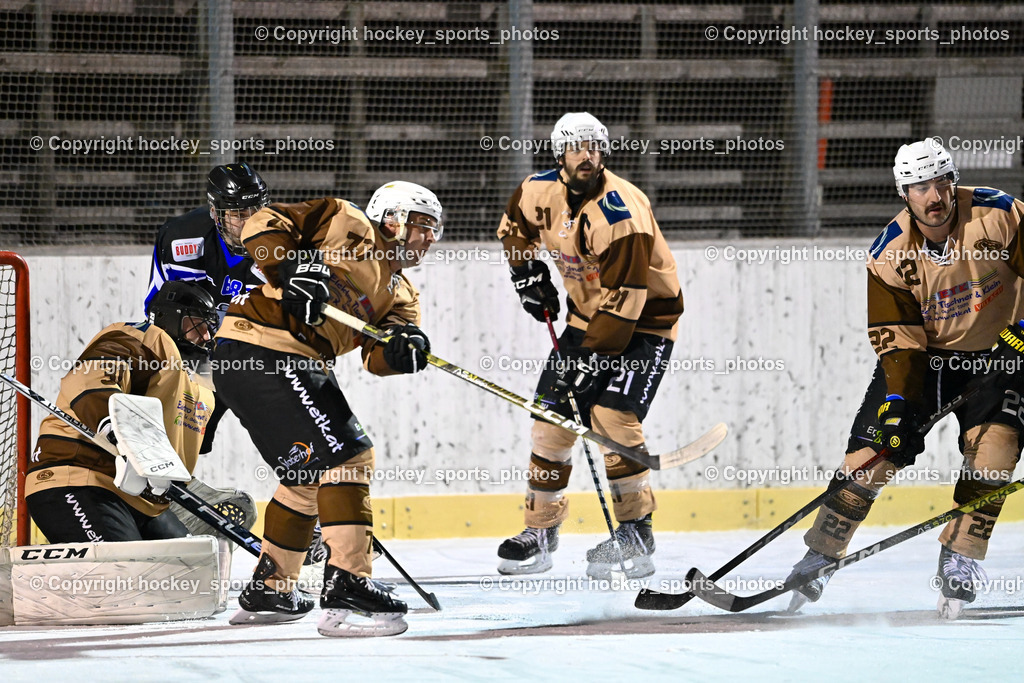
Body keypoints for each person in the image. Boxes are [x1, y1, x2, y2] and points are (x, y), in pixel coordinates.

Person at [788, 139, 1024, 619]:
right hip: (926, 361)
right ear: (904, 193)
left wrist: (1020, 333)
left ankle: (960, 557)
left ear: (952, 181)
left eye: (940, 182)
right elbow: (898, 342)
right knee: (868, 459)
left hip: (1002, 356)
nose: (933, 196)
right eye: (919, 187)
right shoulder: (889, 253)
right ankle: (821, 554)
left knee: (994, 454)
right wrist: (897, 404)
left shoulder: (1000, 215)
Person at [211, 181, 444, 637]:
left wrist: (404, 351)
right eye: (422, 224)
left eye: (434, 228)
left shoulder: (402, 294)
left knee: (305, 479)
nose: (430, 237)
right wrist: (289, 265)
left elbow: (376, 359)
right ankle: (348, 584)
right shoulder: (344, 219)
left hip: (268, 360)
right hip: (266, 349)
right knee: (350, 459)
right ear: (393, 218)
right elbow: (263, 223)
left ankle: (271, 589)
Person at [494, 112, 685, 579]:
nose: (588, 155)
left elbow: (627, 296)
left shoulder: (621, 211)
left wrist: (593, 360)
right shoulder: (537, 192)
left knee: (612, 417)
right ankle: (541, 531)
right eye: (578, 147)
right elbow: (512, 228)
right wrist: (527, 274)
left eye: (596, 146)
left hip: (644, 324)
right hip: (586, 321)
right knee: (550, 420)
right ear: (559, 153)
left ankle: (636, 530)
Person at [25, 282, 219, 543]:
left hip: (144, 501)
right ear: (169, 318)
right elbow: (91, 380)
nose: (205, 336)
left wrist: (183, 482)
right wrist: (121, 436)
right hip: (79, 477)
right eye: (196, 324)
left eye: (209, 327)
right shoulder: (144, 337)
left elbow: (176, 448)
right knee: (126, 574)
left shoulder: (202, 388)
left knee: (193, 569)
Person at [145, 162, 271, 315]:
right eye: (239, 215)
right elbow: (157, 310)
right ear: (216, 214)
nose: (251, 223)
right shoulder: (179, 241)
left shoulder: (280, 246)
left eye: (256, 212)